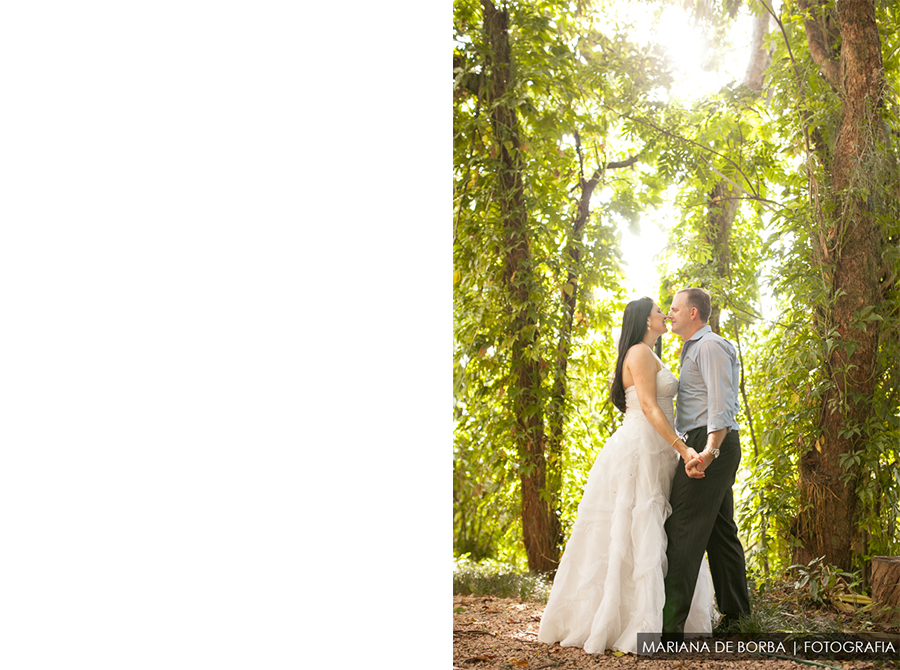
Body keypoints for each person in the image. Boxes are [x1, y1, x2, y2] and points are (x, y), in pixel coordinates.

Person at [539, 297, 714, 655]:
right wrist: (684, 449)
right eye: (657, 312)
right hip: (642, 447)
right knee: (634, 528)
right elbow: (649, 406)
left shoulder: (652, 353)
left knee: (656, 529)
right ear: (644, 321)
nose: (664, 315)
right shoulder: (638, 352)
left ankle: (662, 616)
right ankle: (631, 621)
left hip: (659, 446)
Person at [662, 287, 751, 642]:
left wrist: (708, 452)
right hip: (705, 441)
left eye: (674, 309)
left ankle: (669, 631)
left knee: (683, 529)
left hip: (711, 444)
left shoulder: (710, 346)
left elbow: (721, 404)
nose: (670, 315)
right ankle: (739, 618)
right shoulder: (693, 348)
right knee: (720, 531)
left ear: (693, 313)